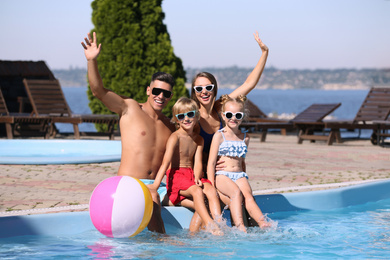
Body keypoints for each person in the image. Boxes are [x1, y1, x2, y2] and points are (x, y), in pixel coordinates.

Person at [81, 32, 176, 233]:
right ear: (148, 90)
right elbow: (99, 91)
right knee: (153, 197)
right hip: (131, 184)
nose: (161, 96)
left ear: (170, 97)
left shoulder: (170, 125)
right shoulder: (130, 109)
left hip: (160, 186)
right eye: (157, 91)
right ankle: (164, 246)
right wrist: (92, 61)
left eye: (166, 93)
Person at [190, 31, 269, 176]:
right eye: (199, 88)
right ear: (194, 92)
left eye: (209, 87)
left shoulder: (221, 107)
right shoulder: (191, 117)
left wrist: (264, 52)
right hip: (201, 174)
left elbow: (248, 84)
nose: (204, 92)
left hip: (225, 175)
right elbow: (185, 151)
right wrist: (208, 163)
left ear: (214, 89)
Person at [148, 97, 222, 235]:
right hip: (176, 175)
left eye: (190, 114)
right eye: (181, 116)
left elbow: (198, 162)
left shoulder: (198, 139)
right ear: (176, 119)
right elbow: (165, 162)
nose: (186, 119)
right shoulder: (175, 137)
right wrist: (156, 185)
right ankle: (209, 223)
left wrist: (197, 176)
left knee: (210, 191)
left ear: (196, 116)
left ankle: (219, 222)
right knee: (197, 192)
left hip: (191, 174)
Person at [207, 95, 271, 232]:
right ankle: (240, 225)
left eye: (238, 115)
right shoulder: (219, 136)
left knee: (248, 196)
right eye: (229, 114)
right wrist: (211, 185)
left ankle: (262, 222)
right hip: (222, 175)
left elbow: (242, 162)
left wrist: (244, 177)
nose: (233, 118)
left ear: (242, 117)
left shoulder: (245, 137)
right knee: (236, 193)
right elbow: (211, 163)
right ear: (223, 116)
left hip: (239, 174)